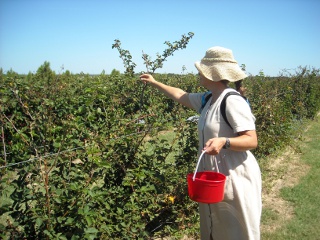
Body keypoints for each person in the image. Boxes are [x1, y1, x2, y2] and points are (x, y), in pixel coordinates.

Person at [140, 46, 261, 240]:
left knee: (236, 230)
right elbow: (180, 95)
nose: (198, 73)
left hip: (235, 177)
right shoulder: (209, 99)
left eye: (201, 70)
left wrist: (225, 141)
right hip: (213, 179)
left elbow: (251, 139)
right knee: (216, 228)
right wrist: (155, 83)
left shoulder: (232, 101)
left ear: (212, 74)